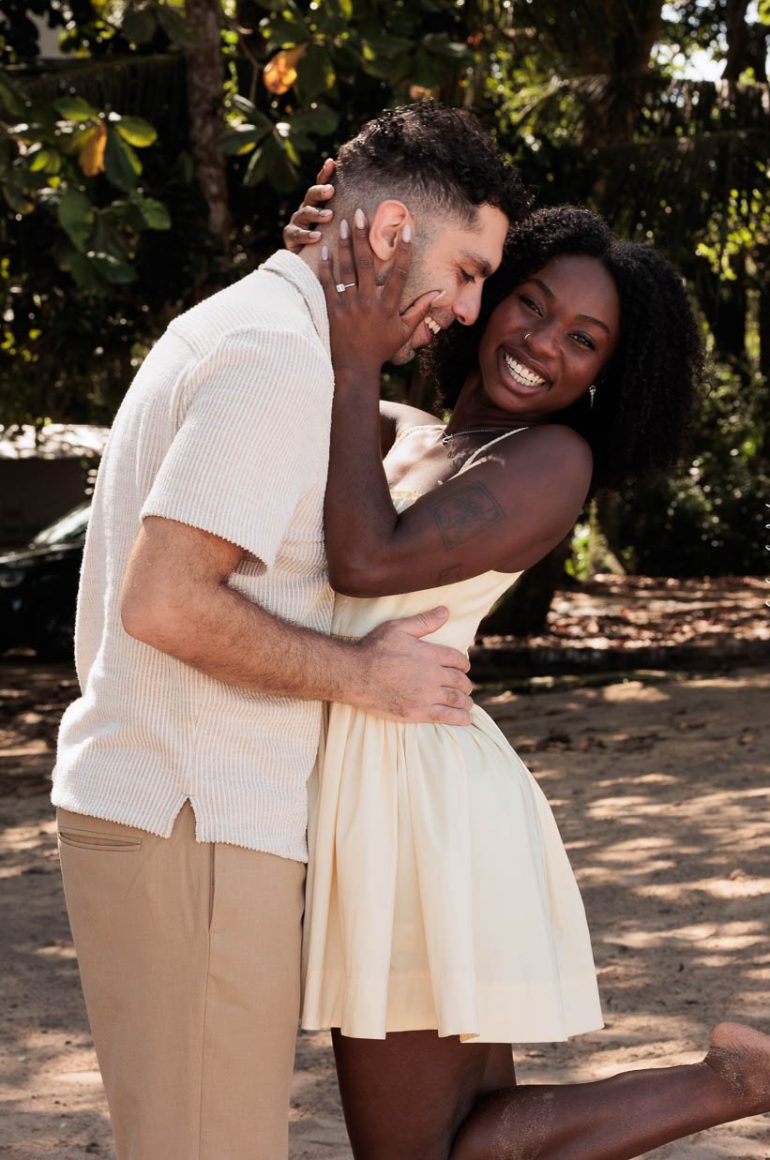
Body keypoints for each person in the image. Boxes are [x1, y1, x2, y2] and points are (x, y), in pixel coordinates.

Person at [50, 101, 531, 1160]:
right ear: (391, 230)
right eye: (462, 270)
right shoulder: (273, 355)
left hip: (192, 825)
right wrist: (362, 675)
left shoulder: (267, 334)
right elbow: (166, 600)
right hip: (190, 824)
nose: (465, 307)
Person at [282, 192, 770, 1159]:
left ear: (610, 375)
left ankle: (732, 1083)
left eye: (583, 338)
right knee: (463, 1140)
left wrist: (355, 358)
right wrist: (321, 267)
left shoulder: (553, 459)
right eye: (531, 304)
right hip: (400, 797)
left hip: (416, 814)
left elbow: (367, 562)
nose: (542, 341)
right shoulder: (421, 432)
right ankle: (733, 1079)